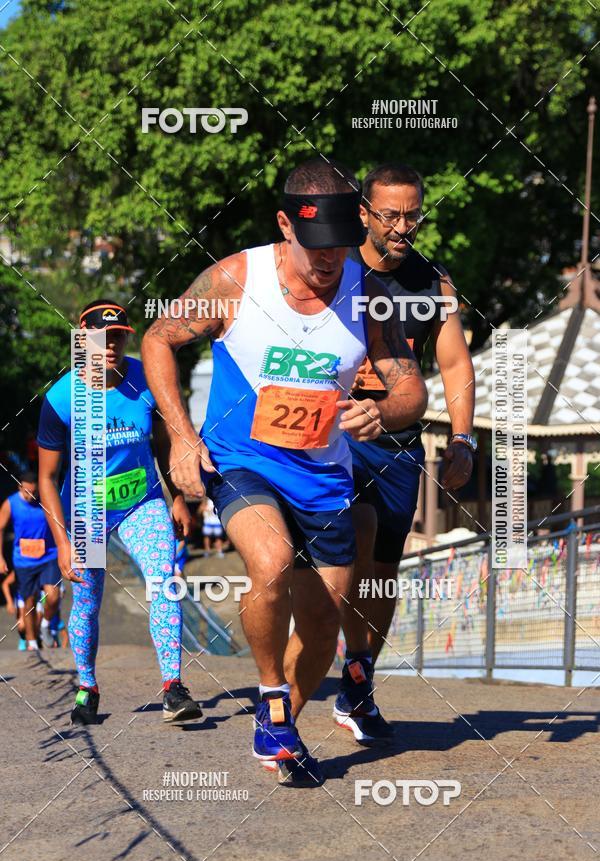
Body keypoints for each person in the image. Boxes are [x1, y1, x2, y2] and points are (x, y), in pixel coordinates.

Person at [142, 157, 427, 786]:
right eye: (315, 248)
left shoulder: (369, 296)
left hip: (325, 477)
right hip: (245, 461)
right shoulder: (235, 280)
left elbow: (413, 392)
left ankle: (279, 725)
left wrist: (382, 411)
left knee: (324, 621)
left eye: (341, 247)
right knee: (269, 562)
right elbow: (158, 339)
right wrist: (183, 439)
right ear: (284, 226)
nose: (329, 263)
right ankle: (271, 695)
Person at [334, 162, 476, 745]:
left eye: (411, 214)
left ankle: (358, 678)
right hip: (335, 432)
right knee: (353, 539)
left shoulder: (431, 281)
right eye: (389, 214)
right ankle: (293, 682)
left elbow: (455, 364)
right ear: (365, 213)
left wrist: (463, 441)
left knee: (384, 573)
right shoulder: (333, 265)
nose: (401, 225)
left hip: (397, 441)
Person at [37, 301, 203, 726]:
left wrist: (178, 496)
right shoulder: (61, 398)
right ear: (82, 340)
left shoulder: (147, 378)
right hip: (87, 509)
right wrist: (61, 543)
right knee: (87, 601)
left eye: (118, 337)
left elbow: (165, 442)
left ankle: (173, 687)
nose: (110, 346)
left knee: (165, 581)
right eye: (99, 338)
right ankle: (87, 687)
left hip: (141, 501)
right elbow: (47, 478)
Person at [0, 471, 61, 650]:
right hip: (24, 561)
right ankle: (32, 642)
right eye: (26, 492)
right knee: (28, 602)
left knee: (53, 595)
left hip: (48, 555)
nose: (30, 496)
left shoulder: (46, 499)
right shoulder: (10, 503)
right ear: (20, 487)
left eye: (33, 493)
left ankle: (45, 626)